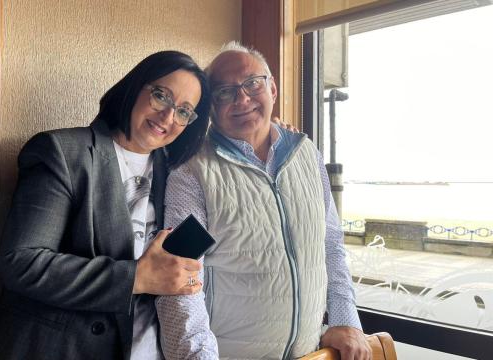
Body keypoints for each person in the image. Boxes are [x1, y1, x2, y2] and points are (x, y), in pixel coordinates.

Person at [0, 50, 212, 360]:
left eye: (184, 111)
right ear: (135, 88)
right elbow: (21, 262)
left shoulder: (177, 173)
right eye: (162, 96)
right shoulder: (64, 153)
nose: (168, 117)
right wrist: (136, 278)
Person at [156, 42, 372, 360]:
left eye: (252, 83)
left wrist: (345, 321)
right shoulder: (193, 171)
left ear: (272, 88)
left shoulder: (306, 154)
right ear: (210, 107)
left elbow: (331, 244)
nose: (242, 98)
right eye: (225, 92)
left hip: (310, 353)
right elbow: (181, 276)